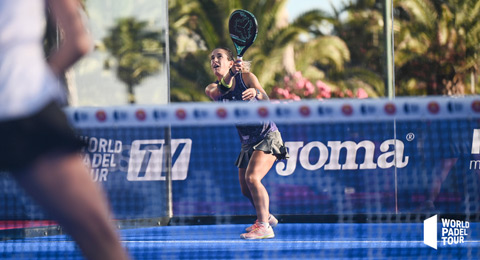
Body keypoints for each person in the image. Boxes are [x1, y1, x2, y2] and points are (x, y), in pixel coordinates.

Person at [0, 0, 130, 259]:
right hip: (27, 110)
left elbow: (78, 43)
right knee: (101, 241)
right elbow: (79, 42)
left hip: (26, 110)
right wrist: (38, 82)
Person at [205, 47, 288, 239]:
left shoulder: (248, 78)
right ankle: (265, 215)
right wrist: (231, 74)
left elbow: (266, 101)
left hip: (267, 136)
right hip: (247, 143)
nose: (214, 60)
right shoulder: (212, 88)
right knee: (245, 188)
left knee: (252, 178)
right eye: (212, 58)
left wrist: (257, 94)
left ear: (230, 62)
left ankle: (265, 226)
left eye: (219, 57)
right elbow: (220, 91)